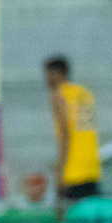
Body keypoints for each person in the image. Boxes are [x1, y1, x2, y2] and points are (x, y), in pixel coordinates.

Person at [44, 56, 100, 207]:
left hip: (73, 171)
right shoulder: (85, 94)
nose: (46, 80)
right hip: (92, 169)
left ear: (58, 74)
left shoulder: (58, 95)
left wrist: (60, 173)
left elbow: (65, 135)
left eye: (48, 74)